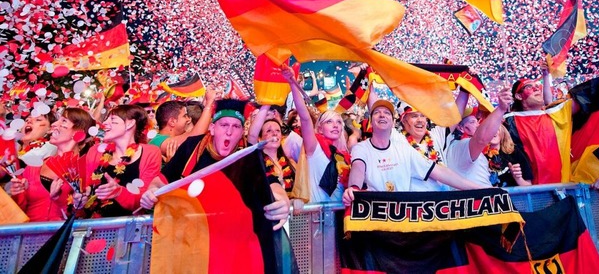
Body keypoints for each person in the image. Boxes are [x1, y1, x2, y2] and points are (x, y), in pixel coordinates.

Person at [139, 99, 290, 230]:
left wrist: (282, 200)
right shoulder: (192, 148)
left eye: (236, 126)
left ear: (242, 131)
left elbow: (271, 182)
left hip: (232, 239)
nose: (229, 132)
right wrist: (150, 192)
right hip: (192, 235)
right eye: (224, 125)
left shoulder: (247, 153)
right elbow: (160, 181)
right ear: (212, 128)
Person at [504, 54, 599, 184]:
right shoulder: (508, 122)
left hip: (564, 190)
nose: (536, 88)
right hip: (530, 194)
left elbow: (588, 95)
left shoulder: (557, 113)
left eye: (537, 86)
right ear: (519, 96)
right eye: (528, 87)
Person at [343, 99, 484, 206]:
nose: (420, 120)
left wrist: (480, 189)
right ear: (402, 121)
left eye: (423, 116)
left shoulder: (427, 139)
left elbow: (439, 172)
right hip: (410, 210)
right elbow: (358, 167)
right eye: (414, 116)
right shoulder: (395, 139)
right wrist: (354, 188)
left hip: (441, 207)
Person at [10, 108, 95, 222]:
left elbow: (86, 216)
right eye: (57, 120)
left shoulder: (87, 170)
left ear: (79, 132)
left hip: (64, 237)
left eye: (63, 121)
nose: (54, 124)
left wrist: (76, 205)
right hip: (29, 235)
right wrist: (17, 193)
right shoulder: (34, 167)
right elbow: (19, 212)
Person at [77, 104, 162, 217]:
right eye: (106, 119)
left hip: (129, 227)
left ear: (130, 124)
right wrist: (80, 198)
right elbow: (87, 189)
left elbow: (143, 202)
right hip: (94, 226)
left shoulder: (150, 153)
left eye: (112, 119)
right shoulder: (95, 151)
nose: (105, 123)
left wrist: (119, 192)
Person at [282, 65, 351, 203]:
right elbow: (305, 118)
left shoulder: (344, 156)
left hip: (338, 216)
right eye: (329, 122)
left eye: (338, 122)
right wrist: (292, 84)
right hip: (315, 216)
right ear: (319, 128)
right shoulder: (314, 147)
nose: (335, 125)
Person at [445, 88, 513, 187]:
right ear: (460, 127)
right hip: (477, 199)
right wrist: (501, 109)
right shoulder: (461, 145)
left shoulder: (477, 149)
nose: (478, 125)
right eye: (472, 122)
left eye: (477, 120)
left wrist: (465, 90)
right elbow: (480, 139)